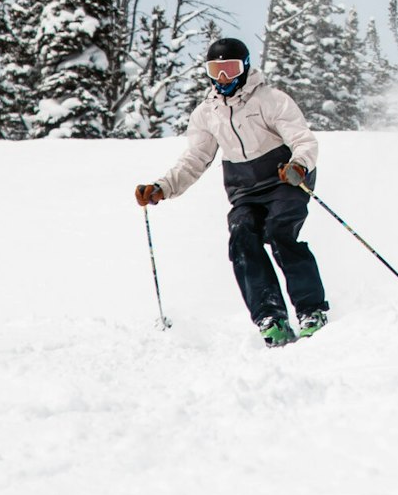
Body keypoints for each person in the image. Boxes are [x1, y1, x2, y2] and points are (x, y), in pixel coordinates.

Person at [133, 37, 329, 347]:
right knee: (242, 237)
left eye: (230, 69)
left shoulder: (271, 100)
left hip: (285, 181)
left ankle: (312, 311)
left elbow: (304, 141)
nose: (223, 78)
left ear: (245, 67)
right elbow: (195, 159)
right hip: (245, 190)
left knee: (280, 233)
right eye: (216, 70)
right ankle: (270, 316)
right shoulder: (207, 113)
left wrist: (299, 166)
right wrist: (162, 188)